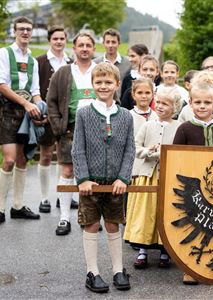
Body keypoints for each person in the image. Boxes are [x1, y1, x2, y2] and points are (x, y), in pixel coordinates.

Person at [72, 62, 135, 293]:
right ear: (92, 85)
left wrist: (123, 178)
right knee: (90, 224)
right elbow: (77, 149)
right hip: (91, 183)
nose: (103, 86)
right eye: (98, 82)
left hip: (115, 184)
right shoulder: (83, 114)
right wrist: (83, 179)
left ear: (117, 84)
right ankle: (93, 272)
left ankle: (119, 270)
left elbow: (130, 150)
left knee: (112, 224)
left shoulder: (126, 116)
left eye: (108, 82)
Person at [173, 82, 213, 285]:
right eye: (197, 102)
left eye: (207, 102)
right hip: (193, 189)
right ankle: (191, 268)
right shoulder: (184, 128)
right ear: (190, 103)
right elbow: (175, 158)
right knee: (194, 226)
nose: (202, 106)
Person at [124, 85, 182, 269]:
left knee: (164, 212)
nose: (161, 106)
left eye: (166, 104)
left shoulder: (179, 127)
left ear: (175, 108)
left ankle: (165, 251)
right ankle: (142, 251)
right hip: (146, 176)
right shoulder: (148, 125)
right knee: (145, 212)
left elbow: (180, 150)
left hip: (168, 177)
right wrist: (147, 152)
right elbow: (135, 145)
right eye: (159, 102)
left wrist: (166, 153)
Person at [46, 32, 98, 235]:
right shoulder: (63, 72)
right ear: (74, 48)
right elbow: (51, 101)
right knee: (67, 172)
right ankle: (64, 218)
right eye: (81, 45)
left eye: (88, 45)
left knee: (93, 174)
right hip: (70, 130)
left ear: (93, 49)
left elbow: (115, 99)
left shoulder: (101, 70)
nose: (84, 48)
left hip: (97, 130)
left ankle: (91, 216)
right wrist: (58, 127)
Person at [0, 16, 42, 224]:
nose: (25, 32)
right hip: (7, 111)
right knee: (8, 160)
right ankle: (0, 208)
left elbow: (35, 92)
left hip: (27, 114)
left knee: (23, 159)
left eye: (28, 29)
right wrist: (26, 104)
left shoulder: (33, 61)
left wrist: (39, 106)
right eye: (21, 29)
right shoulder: (4, 54)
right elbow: (1, 85)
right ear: (15, 31)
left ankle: (17, 206)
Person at [36, 25, 73, 213]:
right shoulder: (40, 61)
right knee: (46, 155)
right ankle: (44, 198)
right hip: (46, 116)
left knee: (64, 158)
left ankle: (62, 196)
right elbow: (37, 87)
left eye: (62, 38)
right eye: (55, 39)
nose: (59, 42)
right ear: (50, 40)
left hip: (66, 117)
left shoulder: (70, 62)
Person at [93, 28, 131, 100]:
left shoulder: (128, 63)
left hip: (121, 104)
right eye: (107, 42)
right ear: (103, 43)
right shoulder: (95, 63)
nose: (110, 45)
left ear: (119, 44)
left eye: (113, 42)